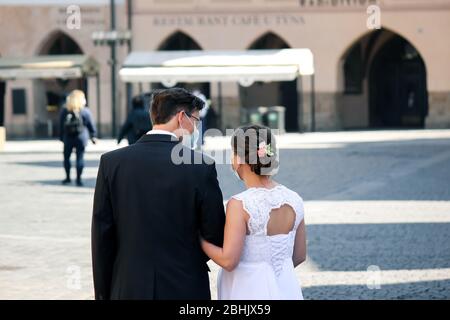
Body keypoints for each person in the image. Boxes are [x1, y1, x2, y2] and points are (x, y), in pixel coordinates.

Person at [91, 87, 226, 300]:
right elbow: (215, 233)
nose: (195, 129)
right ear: (182, 117)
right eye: (196, 121)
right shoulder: (201, 166)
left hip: (128, 285)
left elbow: (102, 238)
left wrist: (103, 294)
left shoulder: (111, 163)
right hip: (185, 284)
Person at [201, 124, 307, 299]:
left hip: (247, 290)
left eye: (232, 152)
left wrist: (200, 240)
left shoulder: (241, 204)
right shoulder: (294, 199)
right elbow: (300, 255)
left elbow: (228, 260)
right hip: (286, 289)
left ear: (240, 159)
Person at [59, 90, 97, 187]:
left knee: (66, 158)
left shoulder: (65, 110)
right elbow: (90, 124)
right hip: (81, 137)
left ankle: (67, 177)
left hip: (68, 137)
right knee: (80, 158)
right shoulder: (85, 111)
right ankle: (79, 179)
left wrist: (61, 137)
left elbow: (60, 125)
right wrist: (93, 135)